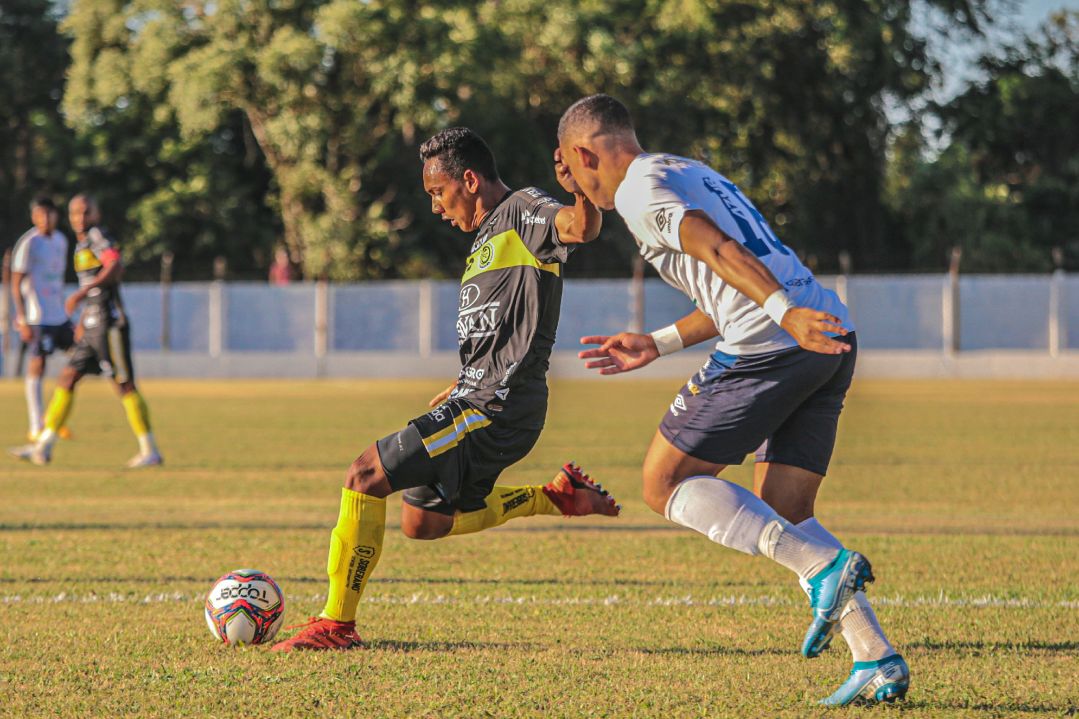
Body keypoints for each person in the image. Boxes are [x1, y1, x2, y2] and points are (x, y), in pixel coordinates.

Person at [557, 95, 908, 706]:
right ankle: (876, 657)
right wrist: (659, 342)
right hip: (830, 334)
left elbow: (717, 248)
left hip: (779, 342)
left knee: (662, 484)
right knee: (784, 510)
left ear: (585, 153)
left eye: (572, 168)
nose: (574, 183)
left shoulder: (642, 192)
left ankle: (825, 571)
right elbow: (726, 285)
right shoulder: (685, 170)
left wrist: (782, 313)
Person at [271, 127, 619, 651]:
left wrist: (583, 191)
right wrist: (464, 378)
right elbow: (502, 328)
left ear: (471, 180)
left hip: (497, 407)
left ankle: (335, 625)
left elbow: (579, 228)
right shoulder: (483, 243)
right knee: (423, 522)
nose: (435, 206)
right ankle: (555, 496)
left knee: (365, 473)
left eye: (438, 192)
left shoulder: (525, 211)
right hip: (477, 399)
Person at [8, 194, 163, 468]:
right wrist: (82, 319)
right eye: (75, 213)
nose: (80, 218)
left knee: (123, 384)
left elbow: (114, 263)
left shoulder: (96, 235)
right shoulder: (79, 244)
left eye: (86, 212)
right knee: (67, 378)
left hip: (109, 323)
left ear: (96, 214)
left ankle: (149, 449)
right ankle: (43, 446)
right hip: (91, 325)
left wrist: (82, 293)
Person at [9, 196, 74, 441]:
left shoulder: (61, 240)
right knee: (38, 365)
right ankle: (36, 424)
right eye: (40, 215)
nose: (45, 219)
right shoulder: (28, 243)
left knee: (80, 358)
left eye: (49, 214)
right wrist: (22, 318)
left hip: (60, 315)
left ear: (56, 216)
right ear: (34, 217)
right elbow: (16, 284)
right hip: (37, 317)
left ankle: (52, 419)